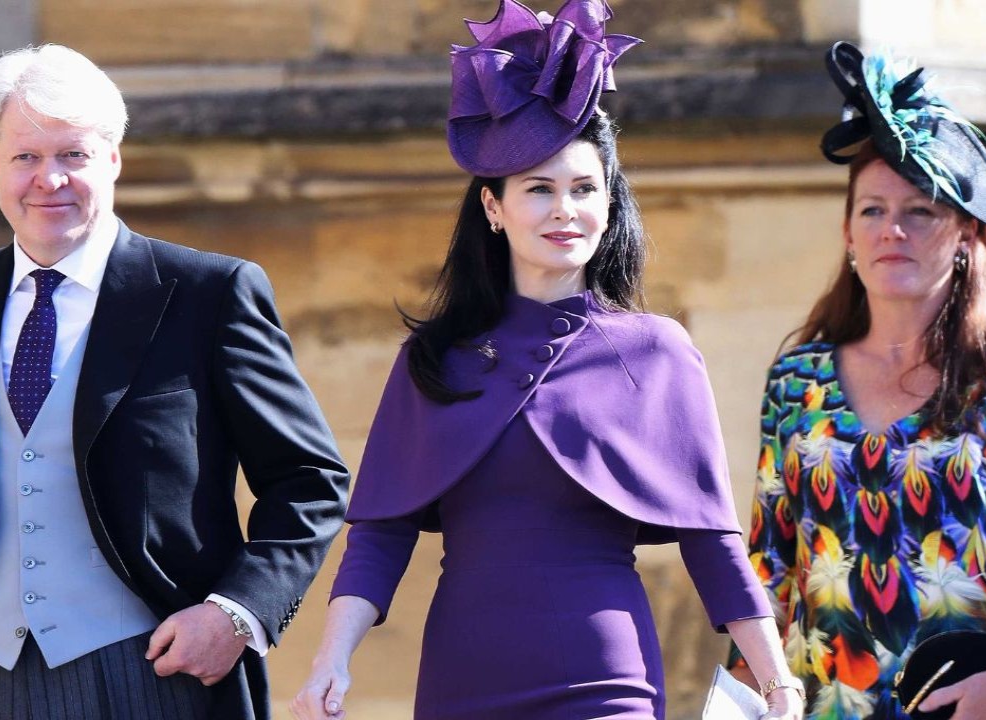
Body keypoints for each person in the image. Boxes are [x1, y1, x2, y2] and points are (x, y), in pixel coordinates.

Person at [291, 1, 805, 718]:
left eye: (584, 189)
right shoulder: (433, 360)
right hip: (462, 682)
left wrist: (775, 677)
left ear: (608, 203)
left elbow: (711, 540)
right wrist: (328, 662)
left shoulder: (657, 352)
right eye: (539, 189)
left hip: (605, 680)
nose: (566, 210)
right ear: (494, 209)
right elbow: (379, 534)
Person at [0, 44, 350, 720]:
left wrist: (235, 614)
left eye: (73, 155)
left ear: (113, 160)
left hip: (148, 675)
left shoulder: (209, 293)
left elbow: (310, 479)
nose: (48, 180)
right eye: (26, 156)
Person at [729, 42, 986, 720]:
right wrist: (737, 704)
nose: (893, 231)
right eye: (872, 210)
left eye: (921, 212)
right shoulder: (798, 382)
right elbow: (768, 573)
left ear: (966, 235)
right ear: (848, 233)